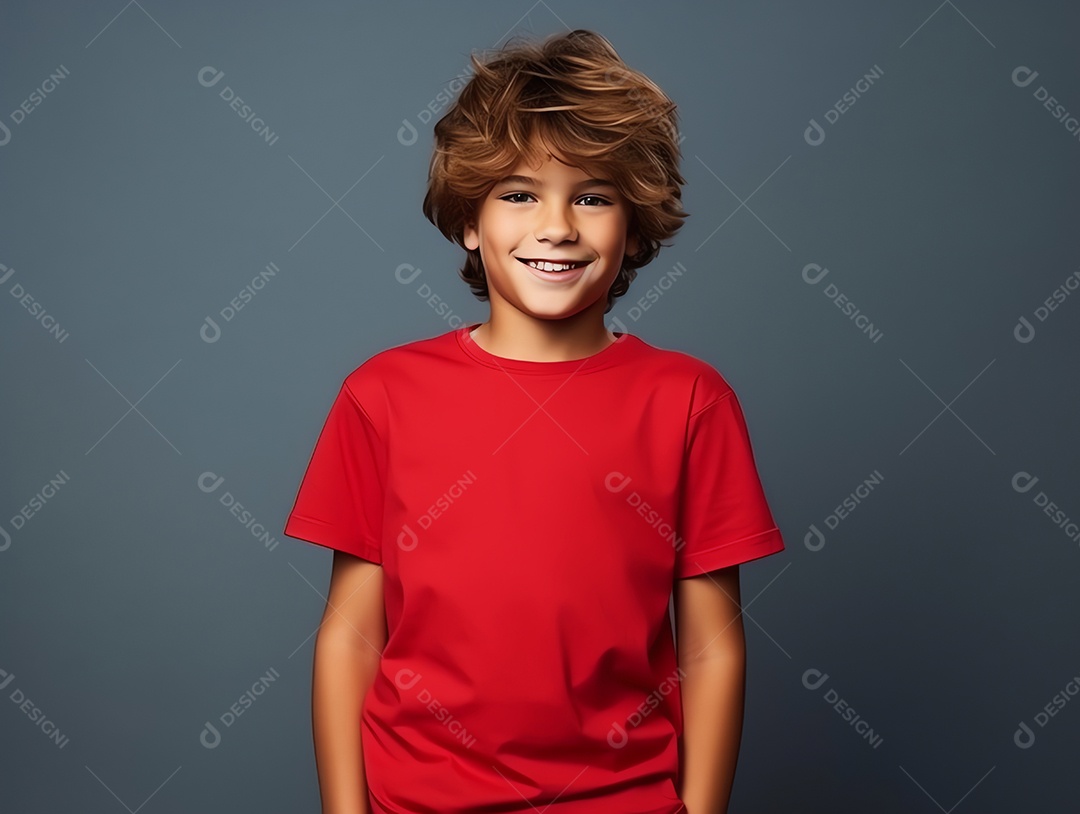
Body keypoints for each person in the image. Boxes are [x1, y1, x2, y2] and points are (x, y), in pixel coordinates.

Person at [283, 28, 785, 814]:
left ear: (635, 224)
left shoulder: (690, 400)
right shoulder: (381, 395)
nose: (557, 225)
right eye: (519, 194)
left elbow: (711, 645)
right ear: (470, 223)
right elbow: (351, 635)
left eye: (592, 196)